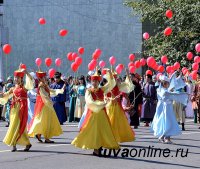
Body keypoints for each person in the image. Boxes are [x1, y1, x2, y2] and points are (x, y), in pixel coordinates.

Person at [71, 68, 119, 156]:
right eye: (94, 81)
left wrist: (109, 73)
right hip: (93, 114)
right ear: (91, 81)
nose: (95, 82)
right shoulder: (89, 91)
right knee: (94, 131)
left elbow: (111, 84)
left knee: (102, 131)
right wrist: (101, 104)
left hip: (102, 114)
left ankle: (99, 148)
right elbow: (90, 102)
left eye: (97, 81)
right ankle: (96, 149)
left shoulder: (102, 89)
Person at [0, 68, 34, 152]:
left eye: (17, 77)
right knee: (14, 126)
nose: (15, 79)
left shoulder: (25, 87)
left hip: (22, 109)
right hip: (14, 109)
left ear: (21, 78)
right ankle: (16, 144)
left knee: (20, 126)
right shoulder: (13, 88)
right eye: (15, 77)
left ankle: (24, 143)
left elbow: (31, 80)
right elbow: (6, 95)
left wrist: (26, 72)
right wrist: (2, 95)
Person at [28, 71, 64, 143]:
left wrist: (59, 91)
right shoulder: (41, 85)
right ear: (41, 78)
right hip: (44, 105)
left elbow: (50, 91)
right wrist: (50, 103)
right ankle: (40, 134)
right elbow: (44, 96)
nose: (46, 78)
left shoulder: (44, 84)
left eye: (45, 77)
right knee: (43, 120)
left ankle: (42, 135)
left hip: (46, 105)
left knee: (45, 121)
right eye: (44, 77)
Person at [151, 75, 188, 143]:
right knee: (169, 122)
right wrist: (173, 93)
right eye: (168, 83)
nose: (169, 85)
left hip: (167, 108)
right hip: (166, 109)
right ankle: (166, 138)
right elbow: (166, 96)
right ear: (164, 83)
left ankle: (164, 137)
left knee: (168, 122)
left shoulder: (163, 89)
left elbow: (170, 95)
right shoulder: (162, 90)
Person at [106, 68, 135, 143]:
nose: (116, 80)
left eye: (116, 78)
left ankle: (115, 138)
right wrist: (111, 99)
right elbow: (105, 96)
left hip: (118, 106)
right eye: (114, 78)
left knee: (117, 123)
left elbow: (128, 85)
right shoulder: (109, 86)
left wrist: (128, 73)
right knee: (110, 122)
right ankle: (109, 137)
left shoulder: (119, 86)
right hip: (110, 106)